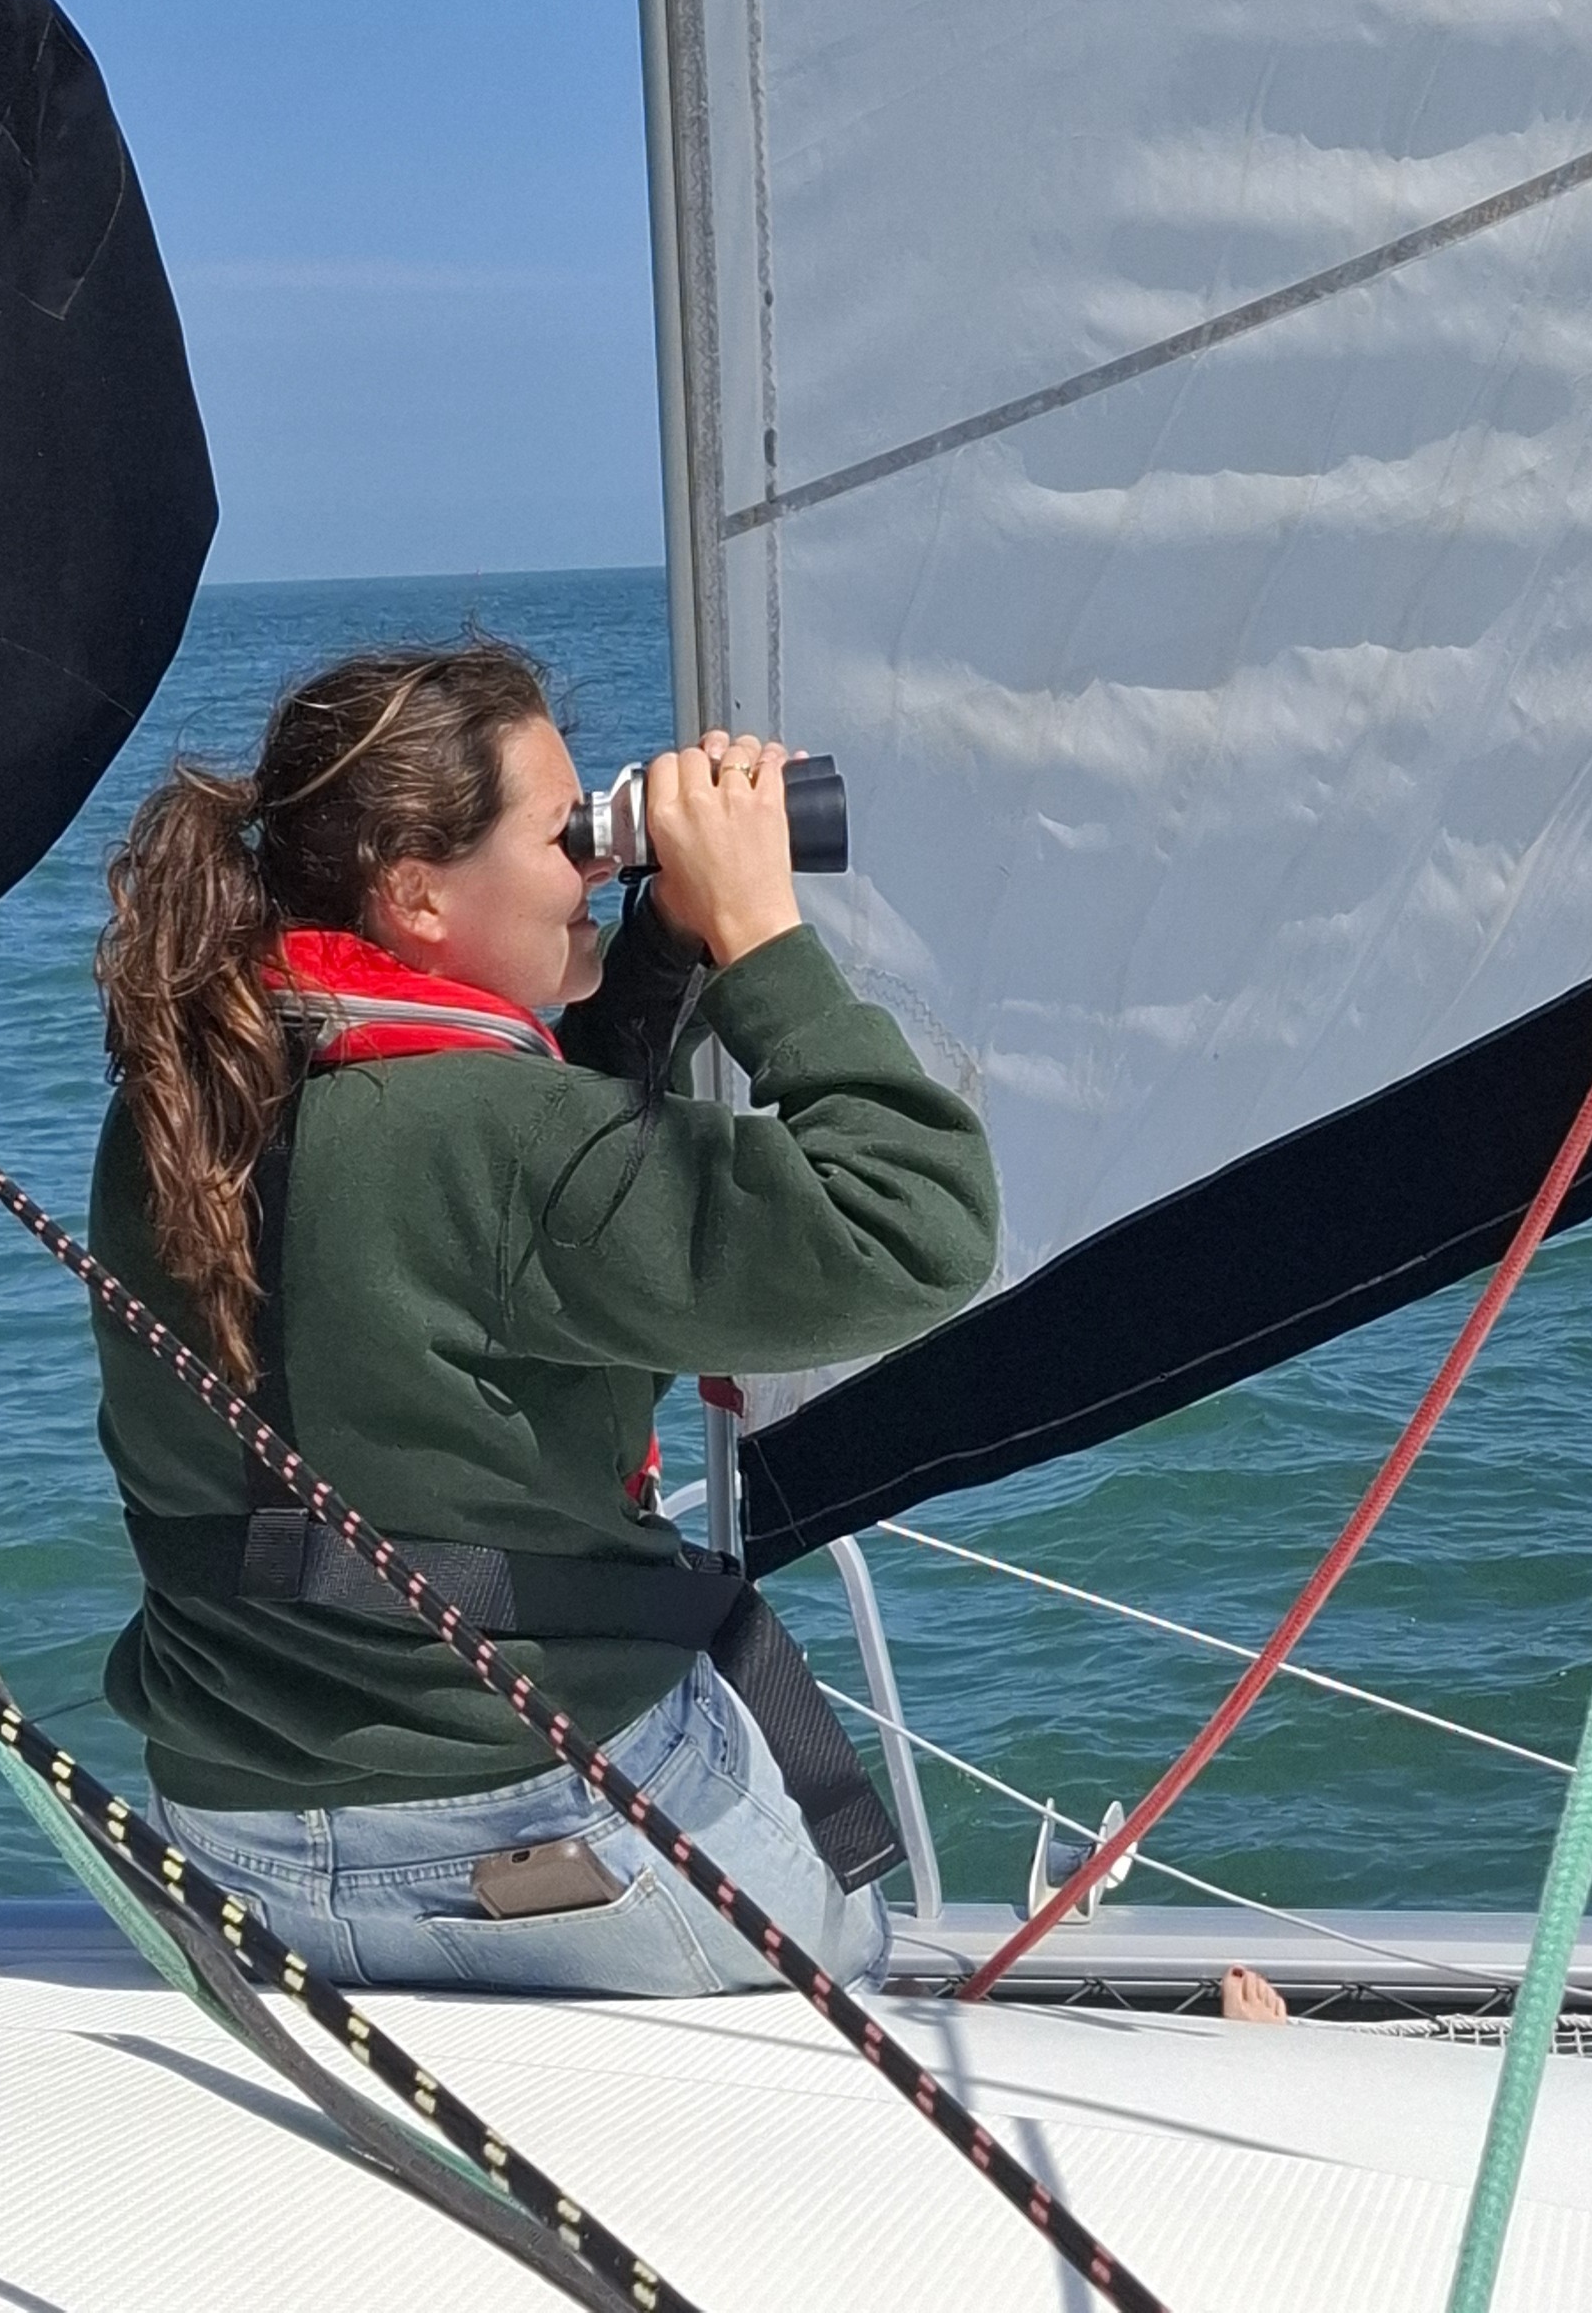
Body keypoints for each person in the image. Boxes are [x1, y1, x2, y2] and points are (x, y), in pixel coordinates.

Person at [88, 638, 999, 1996]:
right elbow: (917, 1224)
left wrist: (660, 944)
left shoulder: (171, 1114)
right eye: (569, 837)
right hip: (549, 1845)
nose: (596, 868)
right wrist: (759, 936)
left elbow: (499, 1183)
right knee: (861, 1955)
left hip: (232, 1854)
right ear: (416, 891)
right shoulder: (510, 1142)